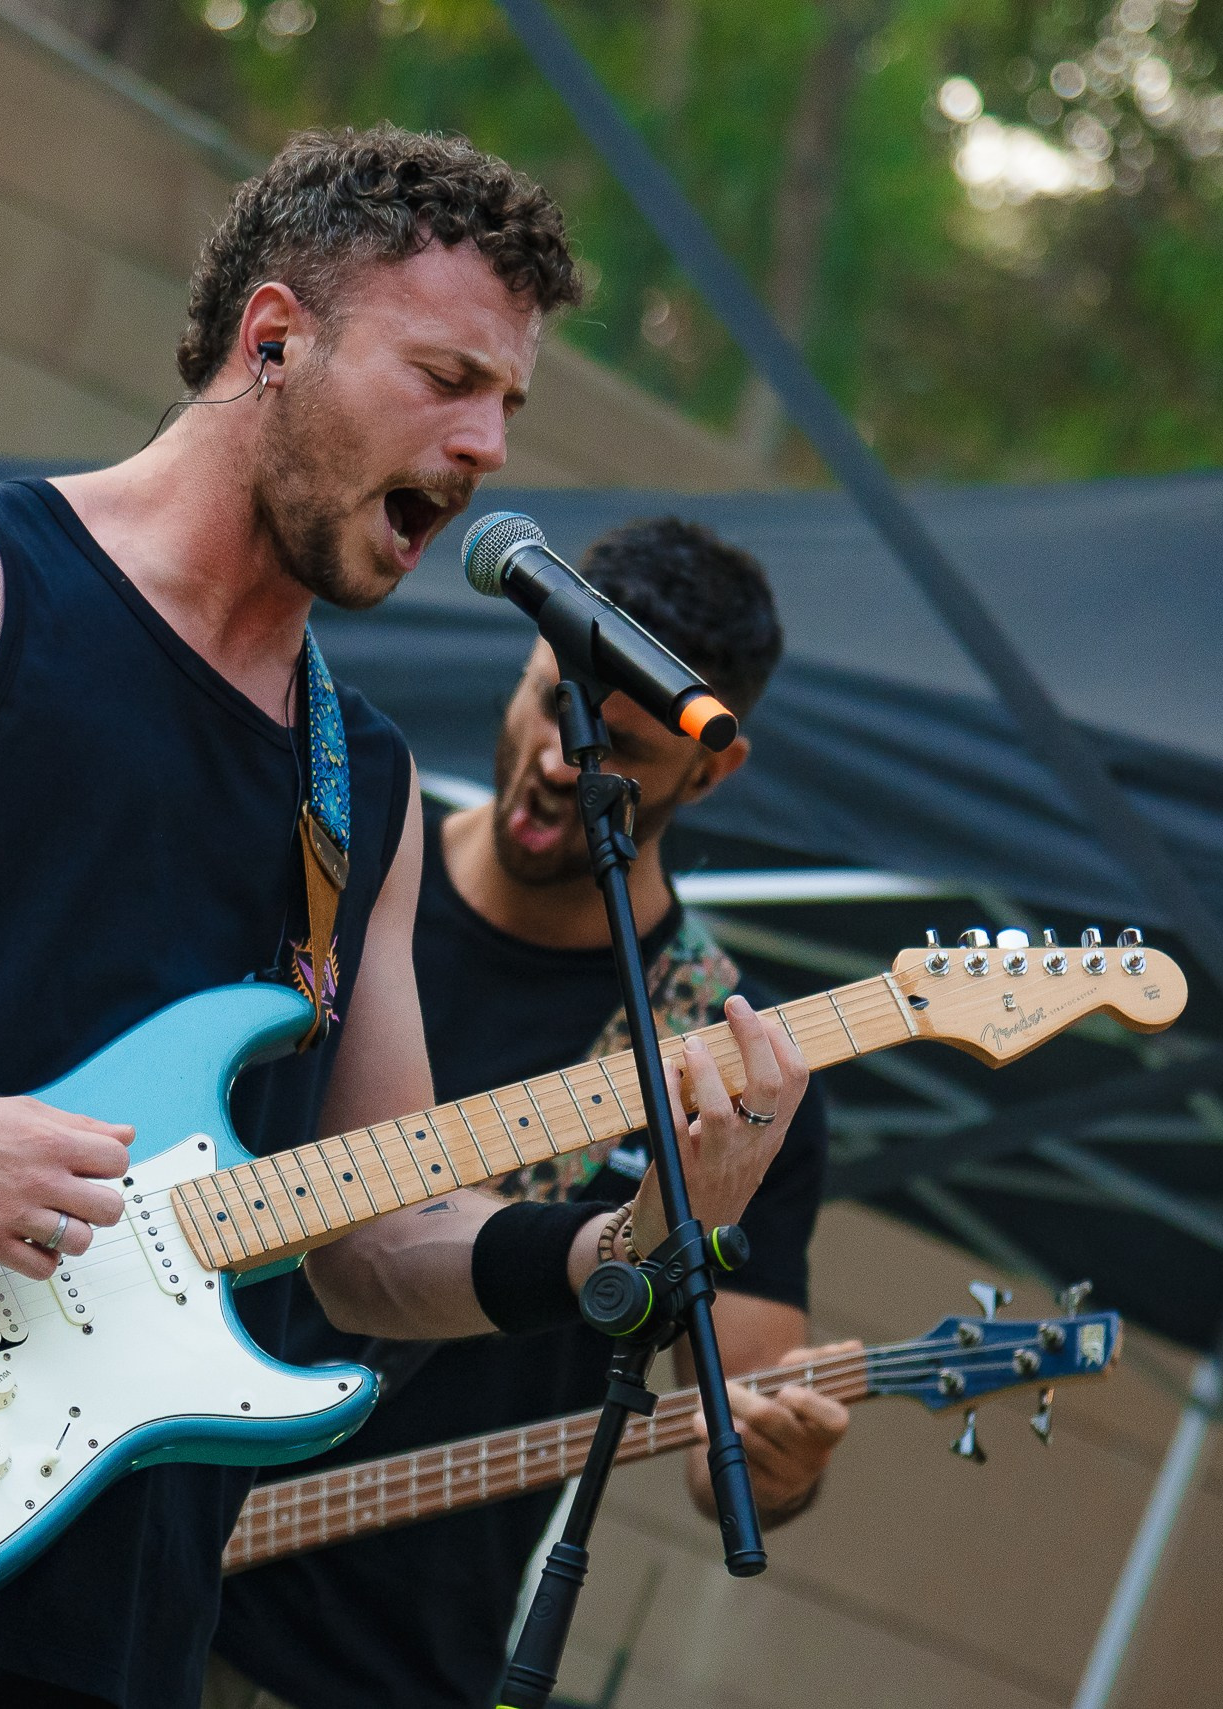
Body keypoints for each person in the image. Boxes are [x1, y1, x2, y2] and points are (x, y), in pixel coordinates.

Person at [0, 127, 812, 1709]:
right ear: (274, 341)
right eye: (444, 378)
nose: (484, 450)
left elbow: (374, 1244)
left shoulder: (365, 788)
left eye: (508, 407)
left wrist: (638, 1235)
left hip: (114, 1604)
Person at [205, 518, 852, 1709]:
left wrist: (785, 1459)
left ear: (715, 766)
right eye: (555, 703)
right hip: (113, 1544)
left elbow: (744, 1425)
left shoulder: (727, 1064)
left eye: (622, 746)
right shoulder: (329, 876)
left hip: (378, 1664)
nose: (565, 756)